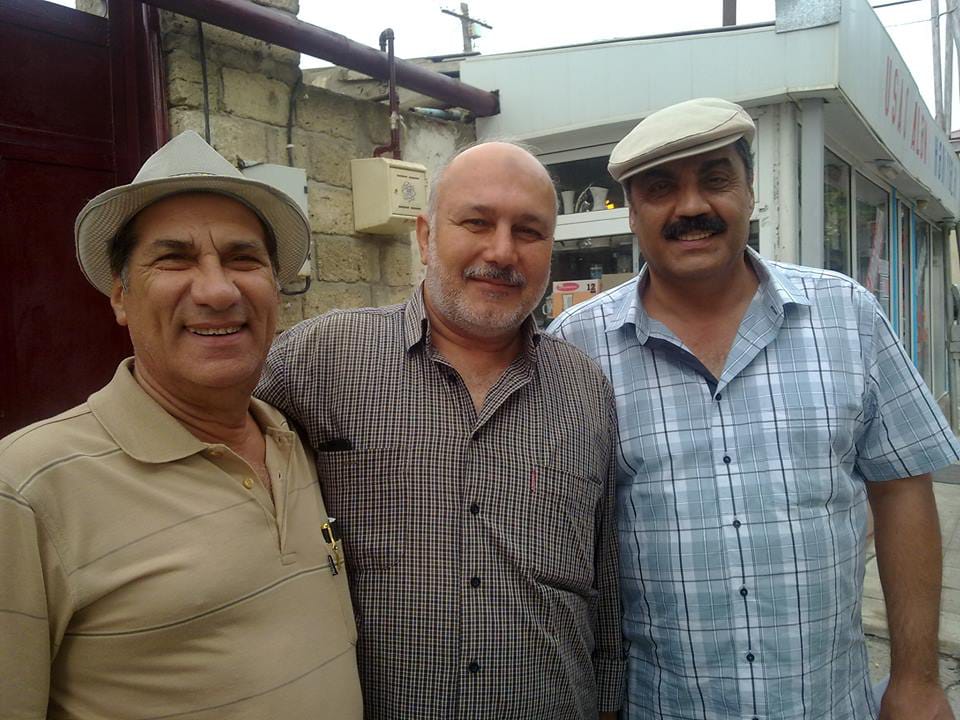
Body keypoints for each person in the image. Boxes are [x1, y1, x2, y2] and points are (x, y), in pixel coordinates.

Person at [549, 97, 960, 720]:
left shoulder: (847, 316)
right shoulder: (575, 349)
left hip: (826, 702)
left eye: (715, 179)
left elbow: (903, 490)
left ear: (749, 193)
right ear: (631, 213)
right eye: (661, 189)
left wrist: (918, 680)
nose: (691, 206)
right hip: (661, 706)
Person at [0, 131, 362, 719]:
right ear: (120, 297)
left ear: (276, 290)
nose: (218, 290)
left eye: (244, 259)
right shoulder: (25, 487)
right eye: (174, 259)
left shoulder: (293, 443)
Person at [256, 141, 624, 719]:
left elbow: (604, 577)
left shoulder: (585, 390)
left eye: (529, 231)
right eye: (476, 222)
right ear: (425, 236)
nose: (501, 251)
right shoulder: (319, 361)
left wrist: (608, 702)